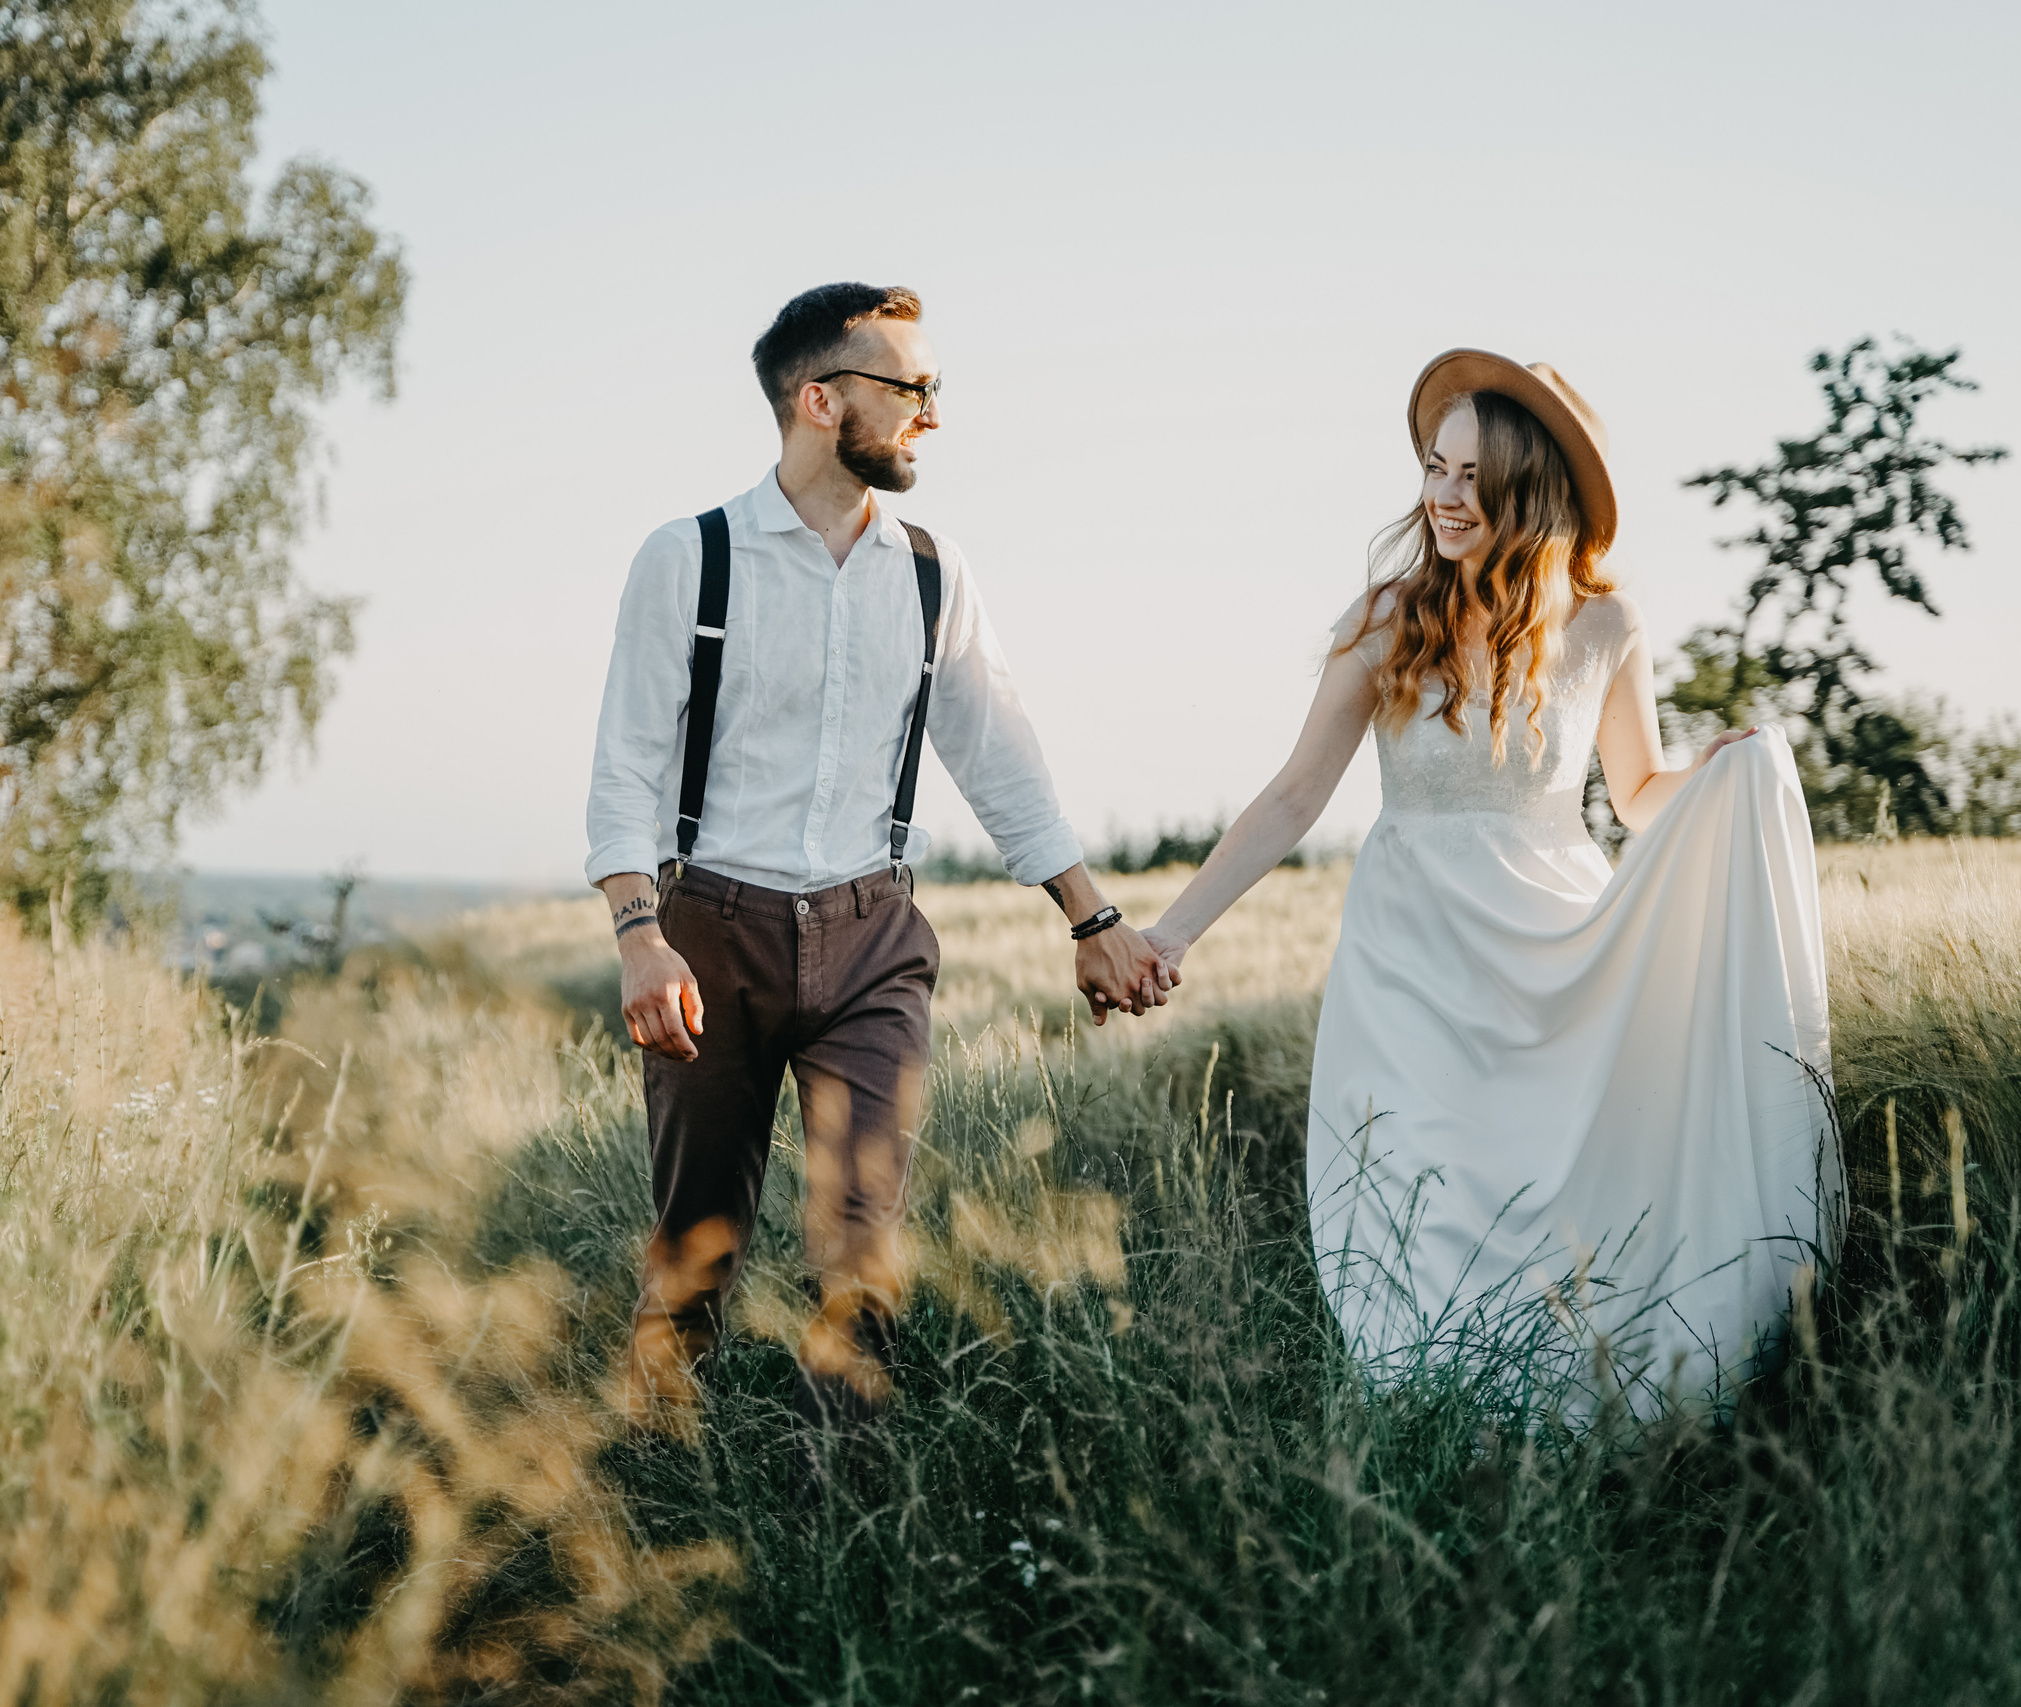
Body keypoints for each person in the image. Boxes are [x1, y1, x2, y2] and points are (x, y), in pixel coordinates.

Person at [1140, 350, 1837, 1417]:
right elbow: (1292, 796)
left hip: (1552, 937)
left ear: (1528, 487)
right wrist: (1173, 932)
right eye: (1434, 468)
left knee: (1556, 1180)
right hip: (1412, 945)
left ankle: (1562, 1410)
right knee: (1424, 1176)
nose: (1444, 497)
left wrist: (1720, 772)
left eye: (1473, 476)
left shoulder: (1604, 624)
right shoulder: (1386, 617)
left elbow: (1637, 790)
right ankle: (1435, 1414)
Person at [586, 282, 1173, 1428]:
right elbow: (624, 766)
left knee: (860, 1252)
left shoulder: (932, 572)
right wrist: (637, 934)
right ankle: (652, 1480)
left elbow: (999, 756)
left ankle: (845, 1521)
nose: (932, 416)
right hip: (709, 933)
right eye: (911, 389)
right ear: (819, 400)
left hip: (870, 941)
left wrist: (1094, 923)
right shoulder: (688, 558)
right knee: (698, 1245)